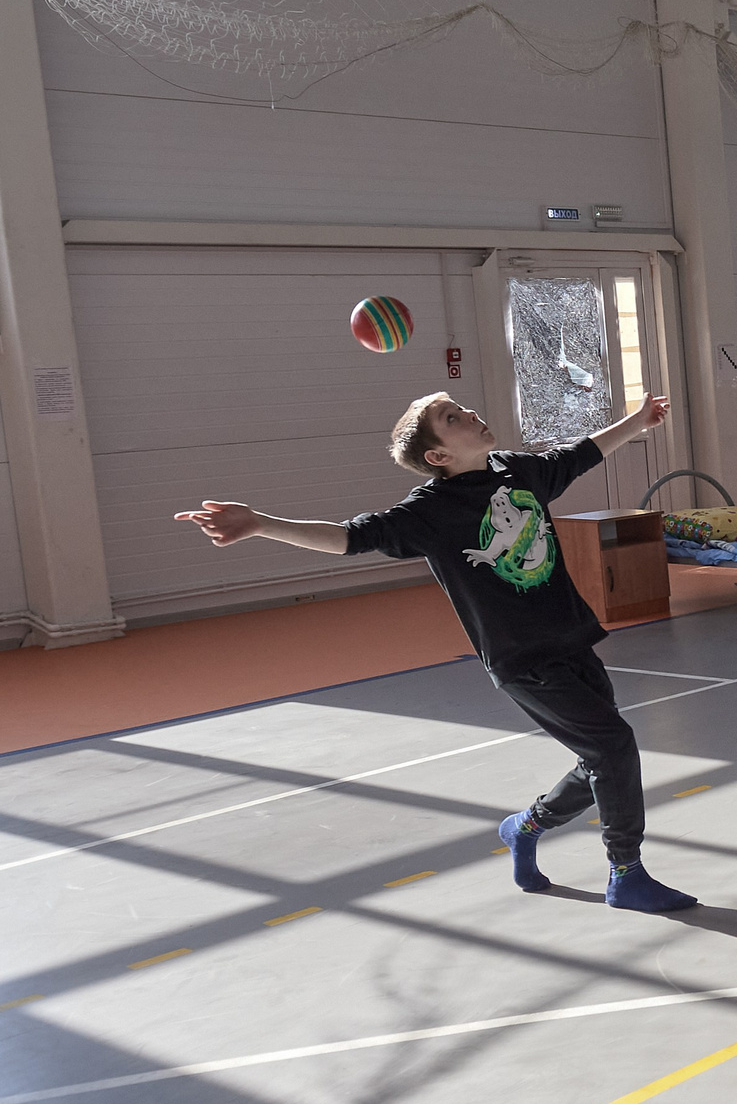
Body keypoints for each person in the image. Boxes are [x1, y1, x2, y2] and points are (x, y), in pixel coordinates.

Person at [175, 391, 695, 912]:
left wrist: (639, 420)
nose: (470, 414)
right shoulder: (429, 512)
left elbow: (581, 453)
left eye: (462, 408)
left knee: (601, 757)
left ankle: (524, 827)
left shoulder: (517, 472)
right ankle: (625, 873)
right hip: (524, 659)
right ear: (438, 456)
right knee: (615, 747)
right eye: (452, 419)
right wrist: (263, 523)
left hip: (575, 638)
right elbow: (347, 538)